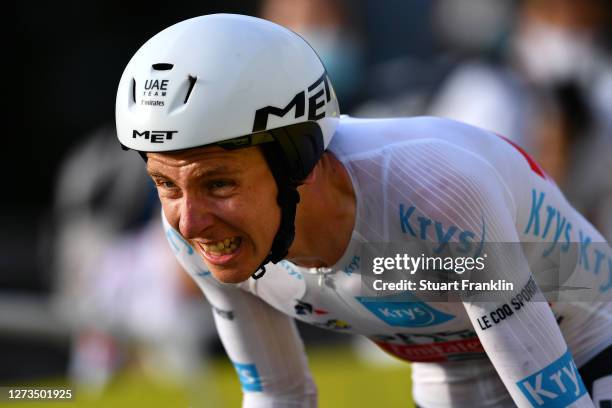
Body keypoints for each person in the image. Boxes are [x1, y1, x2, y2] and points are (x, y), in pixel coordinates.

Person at [115, 14, 611, 407]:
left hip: (585, 329)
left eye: (218, 183)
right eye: (164, 183)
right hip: (451, 369)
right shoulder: (194, 228)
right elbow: (276, 395)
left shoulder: (433, 196)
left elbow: (556, 400)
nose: (190, 221)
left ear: (299, 163)